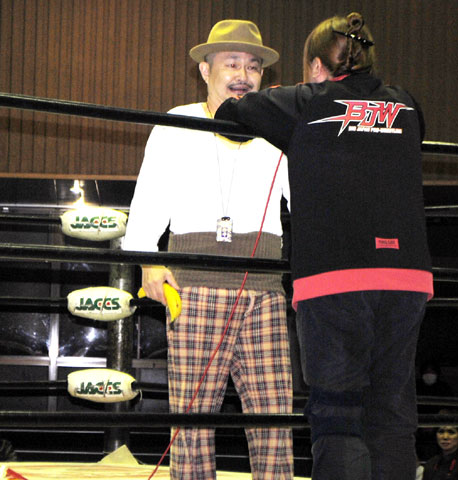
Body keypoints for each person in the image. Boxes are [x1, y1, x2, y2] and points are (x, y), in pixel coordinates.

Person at [216, 11, 433, 480]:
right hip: (408, 278)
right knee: (392, 412)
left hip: (336, 279)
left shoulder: (306, 101)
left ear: (317, 66)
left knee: (337, 411)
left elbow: (228, 117)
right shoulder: (406, 104)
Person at [122, 19, 294, 480]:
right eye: (232, 63)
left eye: (253, 66)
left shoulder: (279, 130)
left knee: (274, 421)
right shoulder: (176, 123)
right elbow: (148, 202)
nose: (243, 74)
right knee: (192, 426)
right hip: (194, 286)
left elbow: (307, 202)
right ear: (205, 69)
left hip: (263, 289)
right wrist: (149, 263)